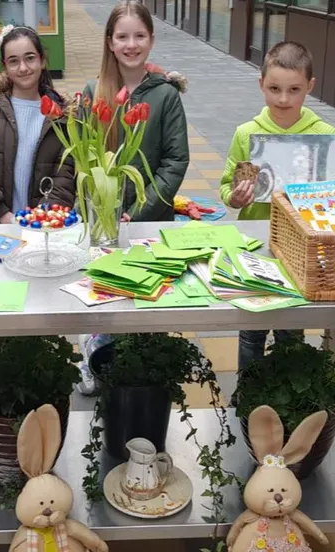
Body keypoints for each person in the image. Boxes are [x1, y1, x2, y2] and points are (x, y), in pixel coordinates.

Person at [75, 0, 190, 396]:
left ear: (151, 40)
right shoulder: (94, 92)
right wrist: (95, 210)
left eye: (139, 35)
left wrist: (138, 210)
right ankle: (93, 353)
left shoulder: (166, 96)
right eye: (122, 36)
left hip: (149, 219)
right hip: (102, 221)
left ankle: (141, 370)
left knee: (144, 296)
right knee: (103, 293)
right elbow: (81, 159)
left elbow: (175, 161)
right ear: (109, 41)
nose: (131, 44)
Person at [218, 41, 335, 371]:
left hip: (302, 245)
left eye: (294, 90)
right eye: (274, 88)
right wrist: (234, 196)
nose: (283, 99)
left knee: (291, 328)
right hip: (257, 244)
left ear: (309, 87)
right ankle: (249, 393)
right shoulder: (247, 134)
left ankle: (285, 391)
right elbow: (229, 185)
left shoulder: (324, 135)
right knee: (251, 329)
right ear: (261, 84)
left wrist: (330, 197)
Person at [0, 25, 75, 223]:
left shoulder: (61, 117)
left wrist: (42, 219)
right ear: (5, 67)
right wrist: (2, 214)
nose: (23, 68)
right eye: (13, 61)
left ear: (42, 60)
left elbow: (66, 175)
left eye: (30, 58)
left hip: (43, 227)